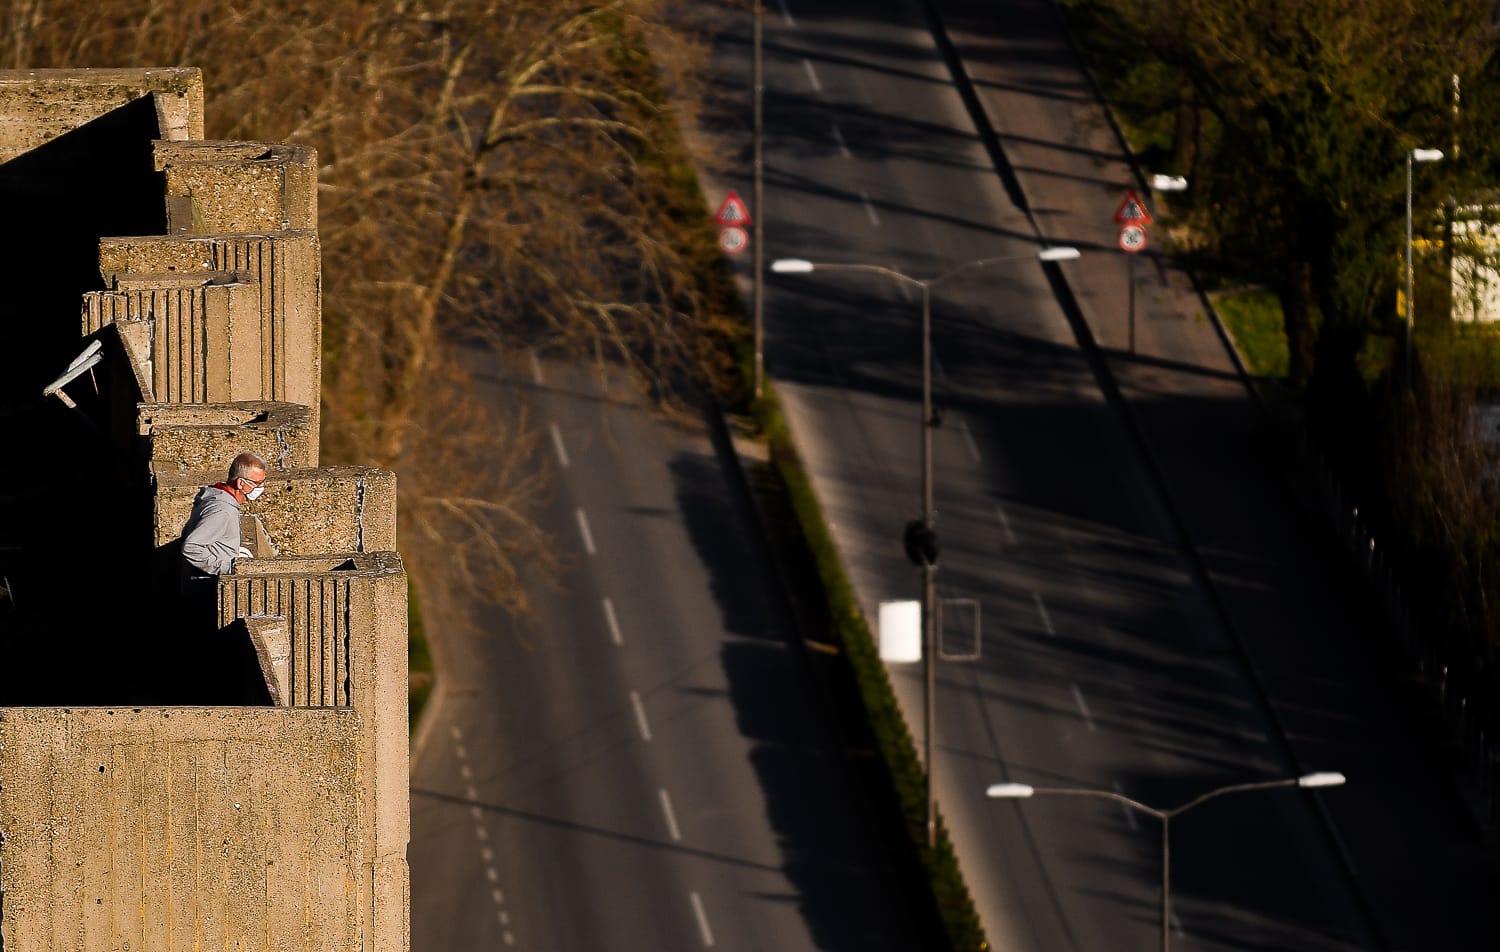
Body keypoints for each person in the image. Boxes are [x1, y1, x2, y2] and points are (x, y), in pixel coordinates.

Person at [180, 451, 268, 586]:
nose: (261, 487)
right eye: (257, 483)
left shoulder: (217, 497)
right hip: (207, 586)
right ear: (240, 483)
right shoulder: (222, 510)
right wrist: (230, 568)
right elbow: (191, 547)